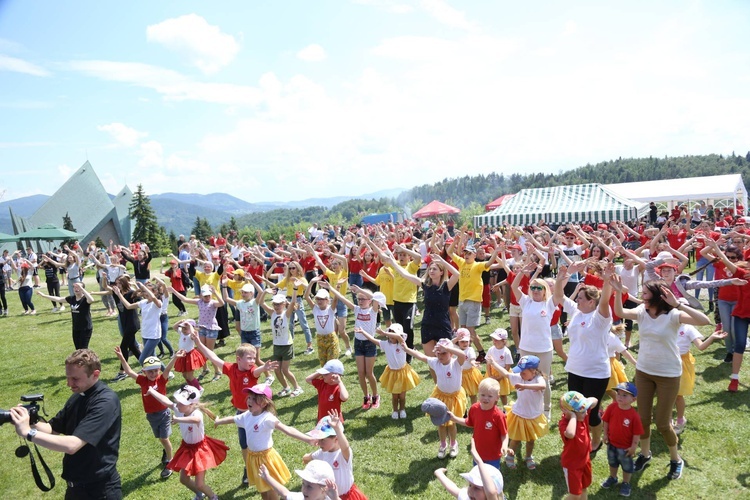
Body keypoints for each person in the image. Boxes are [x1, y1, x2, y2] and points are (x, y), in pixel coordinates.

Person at [611, 276, 710, 480]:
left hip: (668, 374)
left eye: (645, 293)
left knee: (663, 423)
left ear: (657, 296)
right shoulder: (641, 312)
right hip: (645, 372)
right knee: (643, 419)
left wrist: (677, 305)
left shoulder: (674, 315)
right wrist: (617, 292)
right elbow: (619, 312)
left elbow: (704, 320)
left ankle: (676, 459)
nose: (641, 296)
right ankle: (645, 454)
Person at [10, 349, 123, 499]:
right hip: (75, 488)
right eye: (68, 377)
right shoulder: (78, 395)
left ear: (95, 374)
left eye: (75, 378)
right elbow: (52, 429)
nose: (69, 383)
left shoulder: (105, 402)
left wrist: (28, 433)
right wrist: (29, 421)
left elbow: (72, 445)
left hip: (100, 490)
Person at [214, 384, 318, 500]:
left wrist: (307, 439)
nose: (249, 400)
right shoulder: (247, 416)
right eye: (249, 397)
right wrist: (219, 421)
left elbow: (287, 429)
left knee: (271, 487)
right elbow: (232, 419)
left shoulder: (267, 418)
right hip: (253, 458)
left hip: (266, 458)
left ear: (264, 403)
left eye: (254, 399)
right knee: (262, 488)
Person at [553, 261, 614, 456]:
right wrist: (562, 276)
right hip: (575, 369)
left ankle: (596, 440)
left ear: (591, 302)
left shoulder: (601, 317)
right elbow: (558, 296)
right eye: (577, 298)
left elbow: (604, 301)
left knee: (591, 412)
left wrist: (607, 281)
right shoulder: (577, 312)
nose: (577, 300)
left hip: (596, 372)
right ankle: (581, 438)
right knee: (574, 408)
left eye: (580, 298)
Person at [147, 385, 227, 500]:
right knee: (183, 479)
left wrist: (178, 419)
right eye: (178, 402)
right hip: (187, 448)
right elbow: (167, 401)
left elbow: (196, 420)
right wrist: (152, 391)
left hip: (200, 450)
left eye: (181, 403)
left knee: (200, 483)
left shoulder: (196, 413)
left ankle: (213, 497)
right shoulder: (180, 410)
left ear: (191, 405)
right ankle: (200, 494)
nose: (177, 405)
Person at [113, 349, 178, 479]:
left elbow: (168, 369)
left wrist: (175, 357)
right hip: (151, 416)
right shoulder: (142, 381)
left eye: (156, 370)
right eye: (150, 371)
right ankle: (166, 451)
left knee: (164, 438)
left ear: (159, 370)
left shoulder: (161, 380)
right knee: (161, 438)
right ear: (144, 372)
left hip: (164, 413)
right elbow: (129, 372)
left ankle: (170, 462)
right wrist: (122, 358)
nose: (153, 374)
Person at [403, 338, 467, 459]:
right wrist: (407, 349)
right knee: (441, 424)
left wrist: (447, 347)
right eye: (439, 353)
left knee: (452, 423)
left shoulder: (456, 363)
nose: (441, 356)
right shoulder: (435, 362)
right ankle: (443, 444)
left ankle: (453, 444)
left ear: (451, 353)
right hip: (440, 397)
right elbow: (420, 356)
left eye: (444, 353)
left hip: (454, 398)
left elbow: (463, 354)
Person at [325, 283, 382, 410]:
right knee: (361, 373)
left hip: (370, 344)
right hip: (358, 343)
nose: (360, 301)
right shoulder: (356, 309)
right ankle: (366, 397)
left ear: (369, 300)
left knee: (369, 373)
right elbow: (341, 297)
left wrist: (360, 290)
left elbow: (375, 297)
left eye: (363, 299)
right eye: (359, 298)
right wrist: (330, 287)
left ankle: (375, 396)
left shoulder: (373, 310)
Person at [490, 355, 547, 470]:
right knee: (515, 439)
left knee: (531, 440)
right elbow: (506, 374)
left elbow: (542, 386)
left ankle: (528, 456)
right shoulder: (519, 377)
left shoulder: (538, 379)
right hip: (519, 414)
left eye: (523, 372)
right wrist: (493, 363)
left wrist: (524, 386)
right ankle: (510, 457)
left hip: (533, 416)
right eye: (520, 371)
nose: (521, 374)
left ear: (533, 371)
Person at [672, 324, 727, 434]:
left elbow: (701, 347)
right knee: (666, 394)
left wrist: (712, 337)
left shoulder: (688, 328)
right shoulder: (665, 323)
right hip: (665, 362)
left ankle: (680, 420)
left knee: (678, 395)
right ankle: (668, 420)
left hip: (681, 364)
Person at [360, 323, 421, 418]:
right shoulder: (385, 344)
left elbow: (398, 336)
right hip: (392, 373)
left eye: (393, 333)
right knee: (395, 396)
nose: (391, 336)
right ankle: (395, 410)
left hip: (403, 372)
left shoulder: (402, 343)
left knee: (402, 396)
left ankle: (402, 409)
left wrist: (384, 333)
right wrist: (363, 331)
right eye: (390, 333)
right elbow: (372, 339)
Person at [447, 378, 510, 471]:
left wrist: (504, 445)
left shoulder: (499, 416)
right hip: (477, 452)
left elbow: (504, 434)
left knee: (491, 477)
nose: (485, 398)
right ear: (478, 394)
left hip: (493, 455)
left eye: (490, 396)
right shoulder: (474, 408)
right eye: (483, 395)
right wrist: (454, 418)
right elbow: (469, 422)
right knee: (477, 476)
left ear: (497, 397)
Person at [303, 412, 368, 500]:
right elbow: (306, 458)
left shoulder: (342, 454)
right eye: (318, 439)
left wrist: (337, 429)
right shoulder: (321, 453)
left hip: (348, 496)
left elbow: (346, 447)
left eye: (323, 440)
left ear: (336, 439)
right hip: (329, 497)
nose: (319, 443)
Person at [168, 284, 224, 381]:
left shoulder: (213, 303)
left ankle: (217, 371)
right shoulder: (199, 302)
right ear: (201, 295)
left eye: (209, 295)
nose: (207, 297)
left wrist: (216, 293)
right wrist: (173, 290)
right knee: (200, 350)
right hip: (201, 328)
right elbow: (184, 299)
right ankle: (205, 369)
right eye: (205, 295)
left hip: (211, 329)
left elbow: (222, 303)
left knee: (209, 353)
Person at [600, 382, 644, 498]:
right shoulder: (612, 407)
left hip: (625, 448)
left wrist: (634, 447)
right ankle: (613, 477)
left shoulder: (634, 416)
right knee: (612, 462)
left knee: (627, 467)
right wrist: (605, 435)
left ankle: (626, 483)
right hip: (612, 444)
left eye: (625, 395)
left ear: (633, 400)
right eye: (618, 394)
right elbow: (606, 421)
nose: (620, 397)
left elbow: (637, 433)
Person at [260, 291, 304, 397]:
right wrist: (265, 291)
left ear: (284, 304)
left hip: (286, 345)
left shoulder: (286, 314)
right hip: (277, 345)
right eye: (275, 304)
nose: (276, 306)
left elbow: (293, 302)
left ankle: (297, 388)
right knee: (277, 370)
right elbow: (261, 302)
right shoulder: (272, 313)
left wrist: (294, 289)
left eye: (279, 304)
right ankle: (286, 387)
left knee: (285, 370)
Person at [434, 438, 504, 500]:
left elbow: (491, 492)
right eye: (470, 485)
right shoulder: (467, 497)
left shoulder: (491, 494)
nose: (470, 491)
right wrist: (439, 474)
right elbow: (452, 488)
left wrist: (479, 462)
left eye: (477, 488)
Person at [559, 391, 598, 500]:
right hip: (572, 465)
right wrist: (573, 417)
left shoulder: (582, 415)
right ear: (570, 413)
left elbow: (595, 400)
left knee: (584, 488)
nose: (586, 413)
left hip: (585, 461)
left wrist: (583, 402)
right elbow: (570, 434)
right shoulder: (565, 424)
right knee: (575, 495)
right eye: (582, 411)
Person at [37, 281, 94, 349]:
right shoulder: (72, 299)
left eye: (78, 287)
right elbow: (59, 299)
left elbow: (91, 300)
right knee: (77, 348)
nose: (76, 289)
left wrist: (82, 288)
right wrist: (44, 295)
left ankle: (87, 359)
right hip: (76, 327)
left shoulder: (85, 299)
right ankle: (79, 359)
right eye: (75, 287)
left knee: (84, 349)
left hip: (85, 328)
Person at [259, 460, 339, 500]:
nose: (304, 489)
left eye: (309, 486)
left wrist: (336, 498)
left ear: (324, 489)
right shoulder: (301, 497)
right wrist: (267, 477)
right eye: (303, 484)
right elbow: (285, 493)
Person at [304, 280, 339, 366]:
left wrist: (337, 288)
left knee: (331, 363)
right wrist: (311, 282)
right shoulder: (315, 309)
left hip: (331, 338)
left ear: (327, 300)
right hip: (320, 338)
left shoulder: (330, 309)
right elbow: (306, 296)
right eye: (317, 299)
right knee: (323, 364)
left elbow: (335, 299)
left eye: (322, 299)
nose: (319, 301)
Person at [454, 328, 484, 406]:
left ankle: (474, 409)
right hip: (459, 375)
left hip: (470, 374)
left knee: (473, 394)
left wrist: (473, 362)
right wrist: (457, 338)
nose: (464, 343)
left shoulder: (470, 350)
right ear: (458, 342)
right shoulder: (454, 349)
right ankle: (464, 411)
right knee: (462, 394)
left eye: (466, 341)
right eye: (462, 341)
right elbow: (448, 344)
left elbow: (472, 359)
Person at [485, 328, 513, 407]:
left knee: (503, 394)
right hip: (492, 373)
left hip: (502, 374)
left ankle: (505, 408)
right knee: (492, 393)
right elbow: (488, 363)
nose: (494, 341)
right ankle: (493, 408)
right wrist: (490, 375)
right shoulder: (491, 349)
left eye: (497, 340)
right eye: (493, 339)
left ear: (504, 341)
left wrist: (500, 377)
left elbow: (507, 366)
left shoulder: (506, 352)